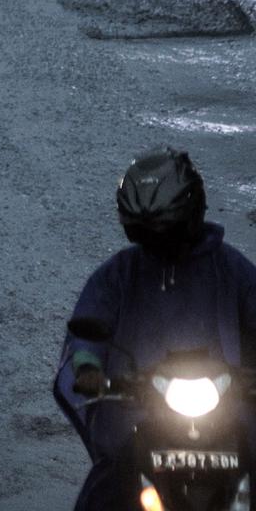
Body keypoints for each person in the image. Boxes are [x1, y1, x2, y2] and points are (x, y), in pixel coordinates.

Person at [54, 147, 256, 510]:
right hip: (145, 414)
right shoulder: (120, 274)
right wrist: (88, 369)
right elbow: (89, 329)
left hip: (229, 413)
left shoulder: (231, 270)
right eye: (147, 233)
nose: (159, 243)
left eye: (166, 230)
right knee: (105, 490)